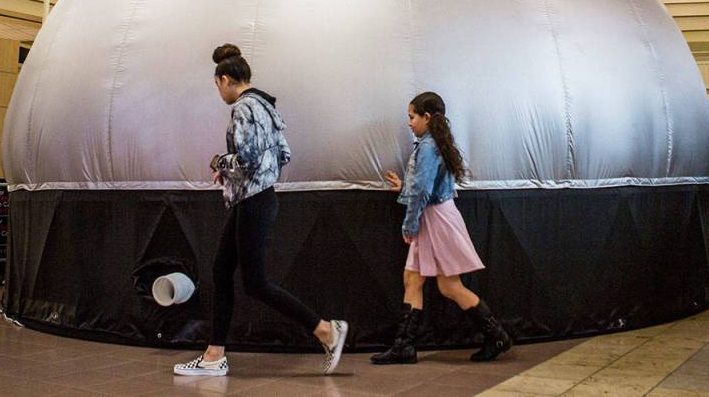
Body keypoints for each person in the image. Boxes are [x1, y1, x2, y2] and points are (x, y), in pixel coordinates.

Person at [174, 44, 349, 377]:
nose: (219, 93)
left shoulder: (242, 108)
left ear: (225, 79)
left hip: (252, 200)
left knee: (256, 283)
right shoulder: (267, 106)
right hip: (258, 197)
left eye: (217, 85)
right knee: (222, 270)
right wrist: (244, 171)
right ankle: (214, 355)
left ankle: (326, 330)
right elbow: (283, 154)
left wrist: (219, 163)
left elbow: (247, 160)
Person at [372, 91, 511, 365]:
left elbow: (424, 189)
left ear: (426, 117)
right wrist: (405, 187)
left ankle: (495, 335)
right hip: (437, 217)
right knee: (417, 280)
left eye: (412, 117)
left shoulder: (427, 146)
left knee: (448, 286)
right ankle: (405, 346)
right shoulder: (435, 143)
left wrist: (409, 223)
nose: (409, 123)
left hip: (434, 219)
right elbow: (427, 186)